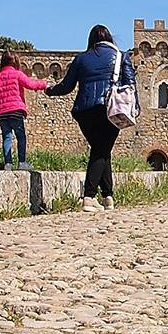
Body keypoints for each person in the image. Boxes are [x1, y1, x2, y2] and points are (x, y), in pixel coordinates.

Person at [46, 24, 135, 211]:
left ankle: (108, 196)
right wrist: (136, 108)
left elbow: (67, 86)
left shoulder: (81, 59)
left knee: (101, 149)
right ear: (110, 38)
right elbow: (130, 85)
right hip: (109, 109)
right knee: (101, 151)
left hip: (84, 110)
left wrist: (50, 90)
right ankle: (89, 196)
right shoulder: (121, 56)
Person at [0, 50, 49, 170]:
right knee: (20, 136)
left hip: (0, 112)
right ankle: (22, 162)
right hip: (15, 109)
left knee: (6, 136)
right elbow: (30, 84)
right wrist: (44, 84)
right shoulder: (17, 74)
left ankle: (8, 163)